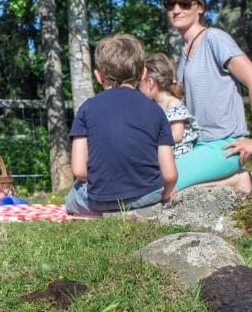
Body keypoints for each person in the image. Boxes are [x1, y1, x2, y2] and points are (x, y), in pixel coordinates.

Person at [164, 0, 252, 194]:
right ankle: (235, 183)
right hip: (196, 145)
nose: (176, 10)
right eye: (170, 4)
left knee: (164, 183)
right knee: (155, 177)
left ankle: (239, 181)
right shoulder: (184, 52)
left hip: (224, 146)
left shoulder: (214, 39)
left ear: (199, 7)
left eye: (184, 4)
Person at [65, 34, 178, 216]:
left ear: (99, 75)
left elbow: (79, 170)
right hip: (147, 196)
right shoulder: (156, 110)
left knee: (72, 197)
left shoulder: (86, 109)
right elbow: (170, 174)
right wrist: (165, 194)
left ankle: (99, 215)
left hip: (100, 198)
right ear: (143, 73)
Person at [140, 52, 199, 159]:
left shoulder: (173, 103)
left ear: (150, 82)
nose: (138, 88)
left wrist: (152, 140)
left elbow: (177, 135)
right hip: (166, 155)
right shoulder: (155, 105)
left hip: (180, 156)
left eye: (140, 82)